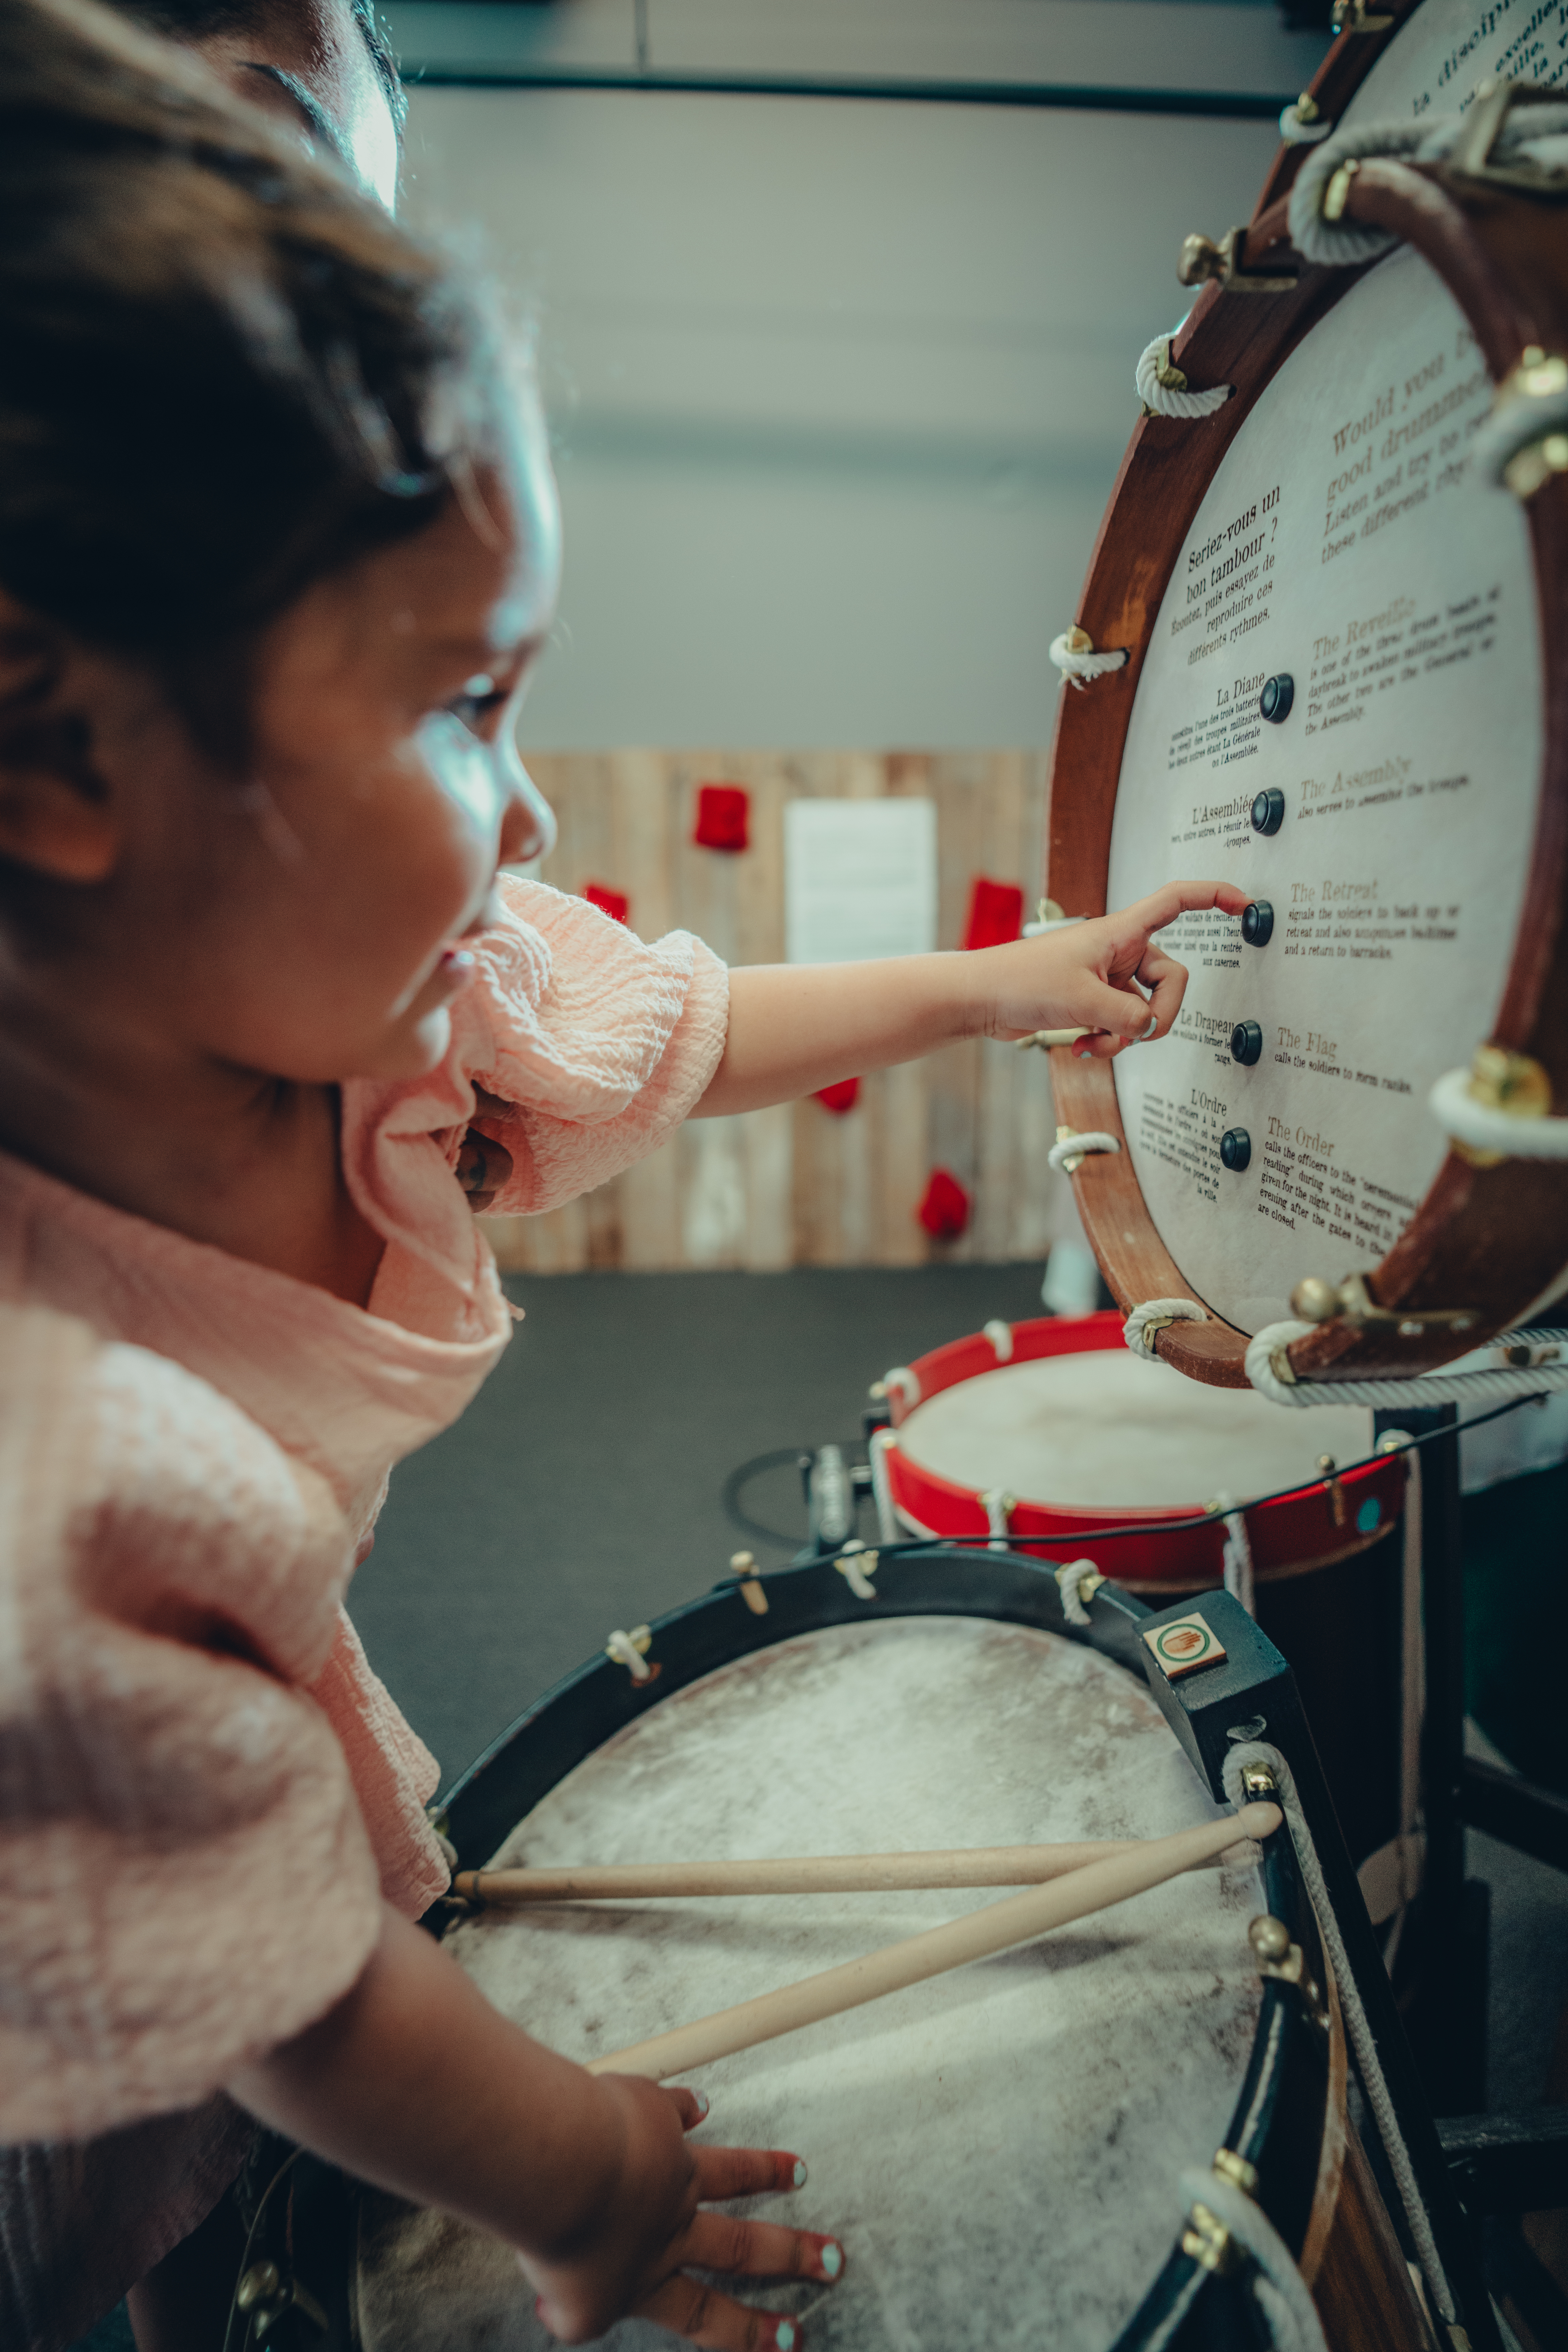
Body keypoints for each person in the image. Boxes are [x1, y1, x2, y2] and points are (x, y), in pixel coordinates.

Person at [0, 4, 1250, 2349]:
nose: (542, 812)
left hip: (202, 1768)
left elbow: (666, 1023)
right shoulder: (46, 1489)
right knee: (162, 2221)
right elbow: (285, 1985)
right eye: (471, 710)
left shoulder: (360, 966)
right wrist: (585, 2184)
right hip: (52, 1990)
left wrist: (1006, 981)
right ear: (58, 754)